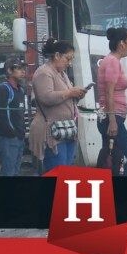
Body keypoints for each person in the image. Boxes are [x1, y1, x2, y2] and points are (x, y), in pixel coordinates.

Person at [29, 39, 86, 173]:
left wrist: (76, 94)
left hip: (66, 130)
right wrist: (70, 92)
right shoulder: (44, 72)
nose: (69, 63)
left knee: (65, 171)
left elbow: (66, 96)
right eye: (68, 59)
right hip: (51, 132)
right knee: (56, 171)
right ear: (57, 55)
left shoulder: (62, 73)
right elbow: (47, 97)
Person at [97, 27, 127, 175]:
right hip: (112, 117)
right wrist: (113, 120)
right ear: (122, 43)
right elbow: (109, 92)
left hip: (112, 116)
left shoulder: (111, 61)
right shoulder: (112, 62)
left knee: (114, 161)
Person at [0, 58, 27, 176]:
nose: (23, 71)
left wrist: (21, 133)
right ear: (9, 70)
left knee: (15, 172)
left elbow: (20, 115)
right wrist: (12, 133)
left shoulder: (20, 90)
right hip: (8, 139)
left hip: (19, 138)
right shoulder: (4, 89)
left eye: (23, 68)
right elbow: (0, 115)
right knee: (8, 173)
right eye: (18, 68)